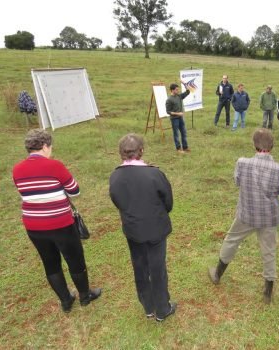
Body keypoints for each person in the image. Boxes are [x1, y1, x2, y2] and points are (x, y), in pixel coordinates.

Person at [12, 129, 101, 313]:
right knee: (75, 259)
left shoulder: (17, 169)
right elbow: (75, 191)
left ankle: (66, 300)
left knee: (50, 262)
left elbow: (24, 192)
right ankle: (85, 296)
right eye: (50, 146)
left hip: (33, 225)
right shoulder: (55, 166)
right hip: (60, 223)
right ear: (44, 146)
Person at [208, 129, 279, 304]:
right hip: (269, 217)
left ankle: (217, 273)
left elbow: (237, 182)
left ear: (254, 145)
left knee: (231, 240)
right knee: (269, 250)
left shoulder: (242, 163)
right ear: (272, 146)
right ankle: (268, 291)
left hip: (246, 214)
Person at [109, 134, 176, 322]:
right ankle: (162, 309)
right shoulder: (155, 173)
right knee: (157, 268)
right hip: (155, 230)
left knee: (139, 266)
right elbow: (168, 202)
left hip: (133, 231)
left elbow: (118, 201)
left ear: (121, 154)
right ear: (142, 151)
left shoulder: (115, 177)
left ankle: (148, 307)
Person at [166, 83, 191, 154]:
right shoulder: (169, 100)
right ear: (172, 90)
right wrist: (178, 113)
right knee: (176, 134)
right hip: (174, 119)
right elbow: (168, 112)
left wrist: (185, 84)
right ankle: (178, 148)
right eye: (176, 89)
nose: (178, 90)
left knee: (184, 132)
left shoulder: (179, 96)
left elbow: (188, 92)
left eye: (178, 89)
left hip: (181, 118)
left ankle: (185, 147)